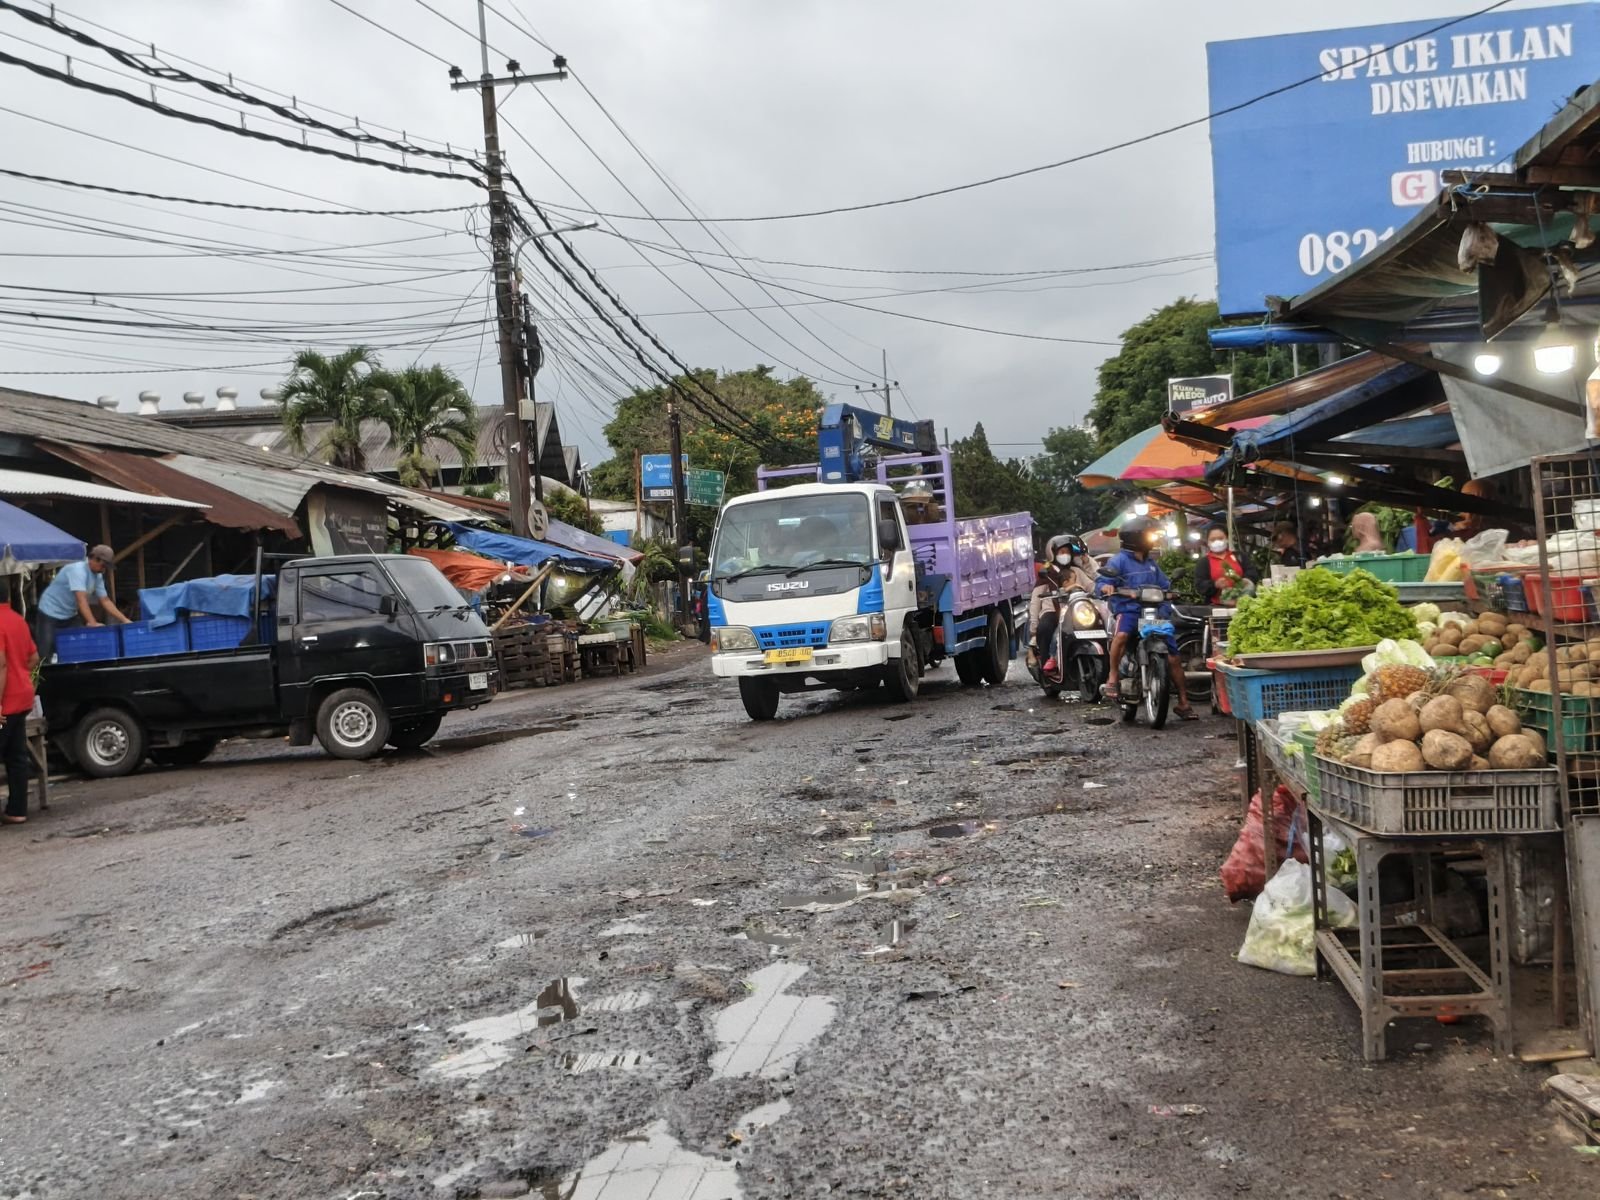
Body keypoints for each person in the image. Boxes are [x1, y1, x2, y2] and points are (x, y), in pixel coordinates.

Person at [1097, 517, 1197, 720]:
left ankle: (1184, 702)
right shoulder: (1118, 561)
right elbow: (1101, 582)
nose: (1153, 538)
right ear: (1136, 537)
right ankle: (1113, 675)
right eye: (1149, 535)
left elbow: (1164, 585)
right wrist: (1105, 587)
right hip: (1129, 611)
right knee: (1121, 636)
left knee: (1174, 657)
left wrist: (1171, 593)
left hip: (1153, 614)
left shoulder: (1152, 564)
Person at [35, 544, 129, 662]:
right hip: (49, 612)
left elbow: (105, 600)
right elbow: (81, 600)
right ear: (94, 559)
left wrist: (125, 620)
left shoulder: (97, 575)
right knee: (45, 651)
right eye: (103, 566)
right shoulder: (78, 570)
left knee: (78, 646)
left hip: (69, 615)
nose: (103, 570)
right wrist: (92, 622)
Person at [1029, 533, 1099, 674]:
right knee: (1045, 628)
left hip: (1076, 609)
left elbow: (1092, 584)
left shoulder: (1076, 571)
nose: (1065, 555)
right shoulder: (1047, 573)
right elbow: (1036, 600)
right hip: (1053, 612)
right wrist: (1034, 625)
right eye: (1062, 552)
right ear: (1053, 554)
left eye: (1067, 552)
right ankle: (1048, 663)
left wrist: (1102, 589)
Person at [0, 579, 39, 825]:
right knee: (16, 756)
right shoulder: (18, 620)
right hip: (23, 696)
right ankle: (17, 810)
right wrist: (20, 673)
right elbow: (34, 657)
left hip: (5, 701)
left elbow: (1, 665)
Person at [1192, 528, 1256, 605]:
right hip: (1216, 606)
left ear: (1227, 539)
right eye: (1213, 539)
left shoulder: (1239, 556)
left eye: (1220, 538)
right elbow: (1199, 585)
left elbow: (1252, 571)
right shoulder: (1203, 562)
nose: (1217, 542)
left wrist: (1246, 580)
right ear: (1208, 542)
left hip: (1244, 603)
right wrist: (1215, 584)